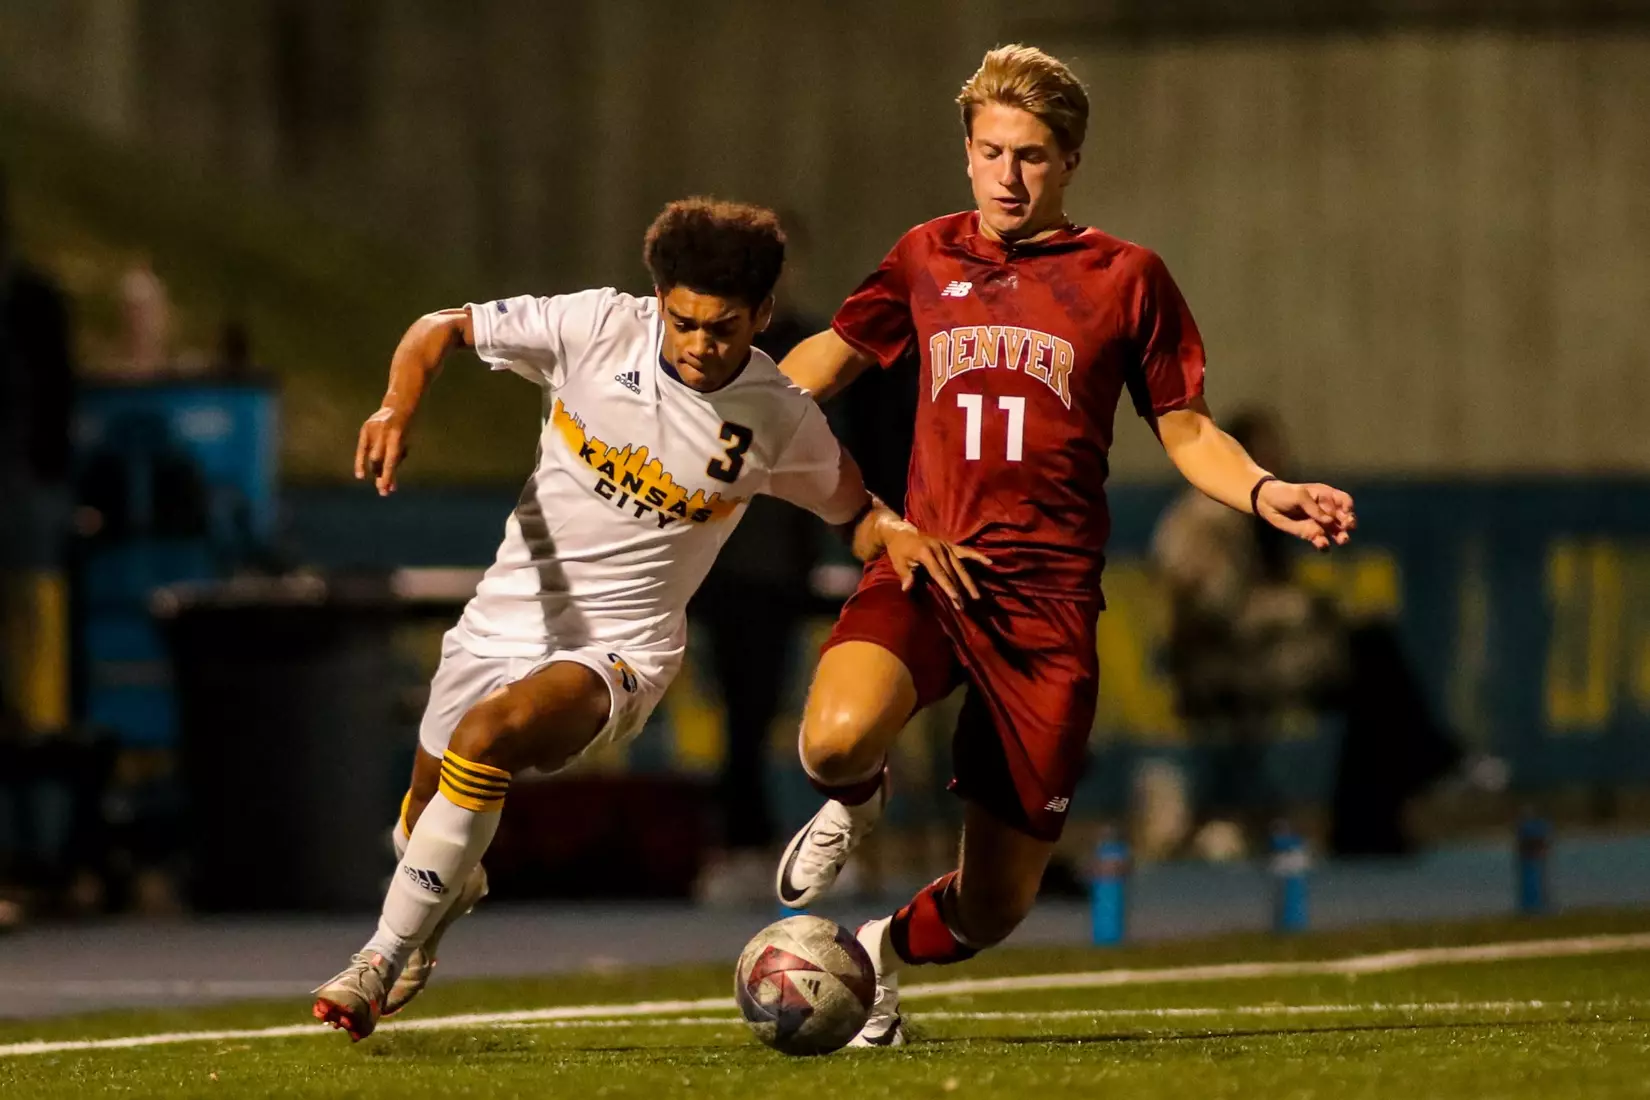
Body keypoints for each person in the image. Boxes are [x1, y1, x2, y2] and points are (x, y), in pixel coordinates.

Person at [770, 45, 1357, 1046]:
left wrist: (1267, 493)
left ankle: (872, 949)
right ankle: (853, 804)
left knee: (995, 903)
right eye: (991, 150)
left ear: (1071, 160)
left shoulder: (1128, 279)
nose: (1008, 174)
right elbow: (816, 368)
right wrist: (717, 421)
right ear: (965, 154)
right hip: (930, 566)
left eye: (1032, 155)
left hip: (1045, 612)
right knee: (829, 737)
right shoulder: (924, 255)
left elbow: (1187, 429)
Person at [309, 198, 984, 1041]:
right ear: (658, 298)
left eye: (725, 327)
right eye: (685, 321)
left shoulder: (776, 416)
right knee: (420, 821)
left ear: (764, 316)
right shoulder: (592, 326)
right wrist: (393, 408)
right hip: (499, 620)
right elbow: (436, 329)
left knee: (488, 737)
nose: (702, 345)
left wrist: (896, 533)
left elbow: (853, 510)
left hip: (620, 652)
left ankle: (375, 960)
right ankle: (446, 885)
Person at [1152, 408, 1347, 856]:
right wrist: (1301, 609)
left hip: (1249, 657)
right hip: (1218, 669)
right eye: (1267, 450)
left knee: (1368, 653)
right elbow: (1223, 612)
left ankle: (1369, 812)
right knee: (1367, 660)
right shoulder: (1205, 521)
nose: (1281, 459)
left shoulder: (1248, 517)